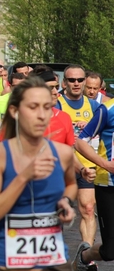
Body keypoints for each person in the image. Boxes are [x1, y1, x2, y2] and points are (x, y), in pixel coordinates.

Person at [0, 76, 77, 270]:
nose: (42, 115)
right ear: (15, 111)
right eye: (33, 107)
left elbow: (72, 184)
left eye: (46, 107)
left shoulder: (63, 153)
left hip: (53, 261)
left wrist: (66, 201)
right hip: (6, 262)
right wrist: (23, 176)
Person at [56, 65, 100, 263]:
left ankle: (86, 258)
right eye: (71, 80)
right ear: (64, 82)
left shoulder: (93, 106)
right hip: (61, 167)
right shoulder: (56, 104)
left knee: (89, 209)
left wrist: (91, 130)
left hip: (85, 166)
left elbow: (104, 133)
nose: (76, 83)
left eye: (80, 80)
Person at [73, 97, 114, 270]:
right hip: (108, 185)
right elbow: (80, 141)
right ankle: (84, 256)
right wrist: (105, 165)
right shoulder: (107, 109)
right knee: (110, 251)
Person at [0, 72, 26, 137]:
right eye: (16, 86)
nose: (19, 88)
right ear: (10, 86)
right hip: (4, 140)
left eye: (22, 86)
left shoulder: (31, 102)